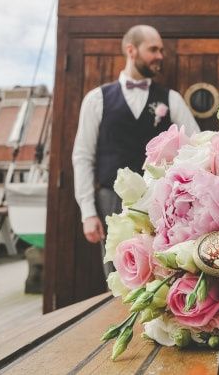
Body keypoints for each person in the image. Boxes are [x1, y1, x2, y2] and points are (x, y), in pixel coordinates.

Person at [72, 25, 200, 255]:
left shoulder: (171, 99)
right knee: (119, 274)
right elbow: (82, 156)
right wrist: (88, 212)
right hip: (111, 201)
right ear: (131, 50)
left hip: (160, 201)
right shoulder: (96, 99)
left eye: (161, 50)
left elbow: (197, 147)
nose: (160, 56)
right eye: (153, 49)